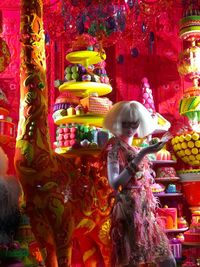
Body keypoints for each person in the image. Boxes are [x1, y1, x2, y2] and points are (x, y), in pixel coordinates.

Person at [103, 101, 177, 267]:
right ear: (117, 123)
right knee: (132, 260)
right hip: (128, 210)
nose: (130, 129)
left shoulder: (131, 147)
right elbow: (115, 183)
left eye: (134, 125)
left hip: (144, 209)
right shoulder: (114, 149)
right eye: (126, 125)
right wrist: (142, 153)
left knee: (167, 260)